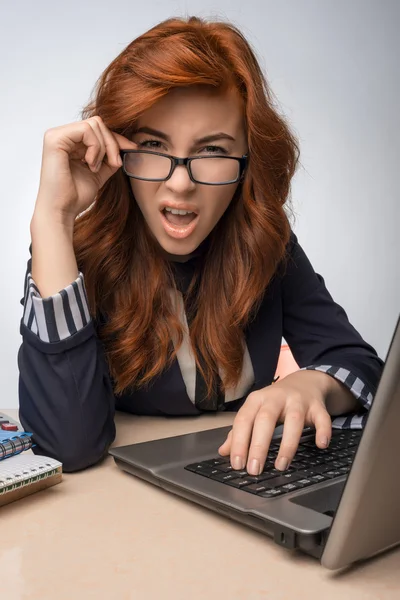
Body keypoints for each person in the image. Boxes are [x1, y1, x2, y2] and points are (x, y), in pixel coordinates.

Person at [18, 15, 384, 473]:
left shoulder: (268, 246)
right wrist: (52, 220)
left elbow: (358, 364)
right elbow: (68, 445)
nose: (179, 184)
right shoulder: (76, 258)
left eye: (212, 151)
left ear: (249, 159)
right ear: (116, 150)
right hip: (122, 507)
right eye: (153, 143)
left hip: (246, 486)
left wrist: (311, 385)